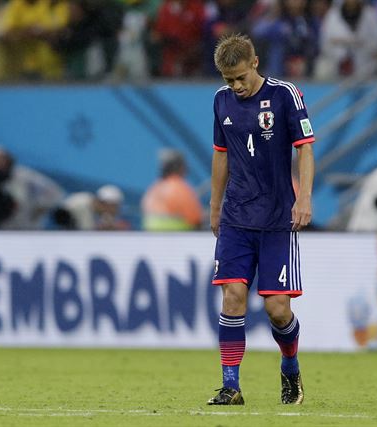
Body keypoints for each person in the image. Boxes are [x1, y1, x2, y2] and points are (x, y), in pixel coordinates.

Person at [207, 34, 315, 406]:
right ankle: (230, 385)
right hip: (237, 216)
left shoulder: (285, 94)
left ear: (254, 63)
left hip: (276, 220)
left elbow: (305, 149)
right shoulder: (221, 102)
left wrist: (303, 198)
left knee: (277, 309)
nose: (234, 86)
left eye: (239, 77)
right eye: (227, 80)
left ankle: (290, 367)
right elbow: (221, 155)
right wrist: (215, 205)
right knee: (233, 296)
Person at [141, 149, 203, 231]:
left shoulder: (154, 189)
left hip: (151, 236)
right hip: (177, 237)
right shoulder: (180, 188)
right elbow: (195, 219)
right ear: (179, 167)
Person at [52, 184, 130, 230]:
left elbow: (106, 219)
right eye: (115, 207)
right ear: (107, 204)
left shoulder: (95, 205)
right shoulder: (83, 204)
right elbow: (87, 234)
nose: (116, 211)